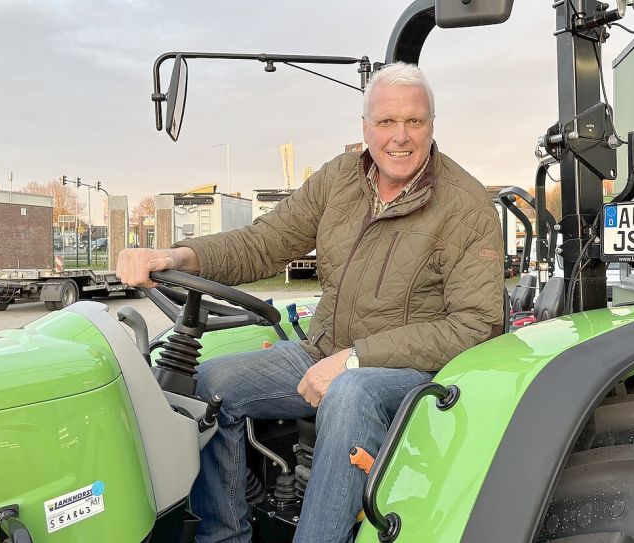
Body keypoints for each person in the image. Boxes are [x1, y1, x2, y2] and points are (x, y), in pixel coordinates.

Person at [117, 62, 505, 543]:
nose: (400, 136)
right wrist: (179, 256)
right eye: (386, 121)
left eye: (414, 121)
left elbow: (475, 325)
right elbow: (265, 242)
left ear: (431, 125)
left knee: (350, 393)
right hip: (323, 350)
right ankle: (225, 536)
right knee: (207, 385)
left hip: (410, 371)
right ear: (365, 127)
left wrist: (356, 358)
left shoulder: (466, 206)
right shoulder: (340, 178)